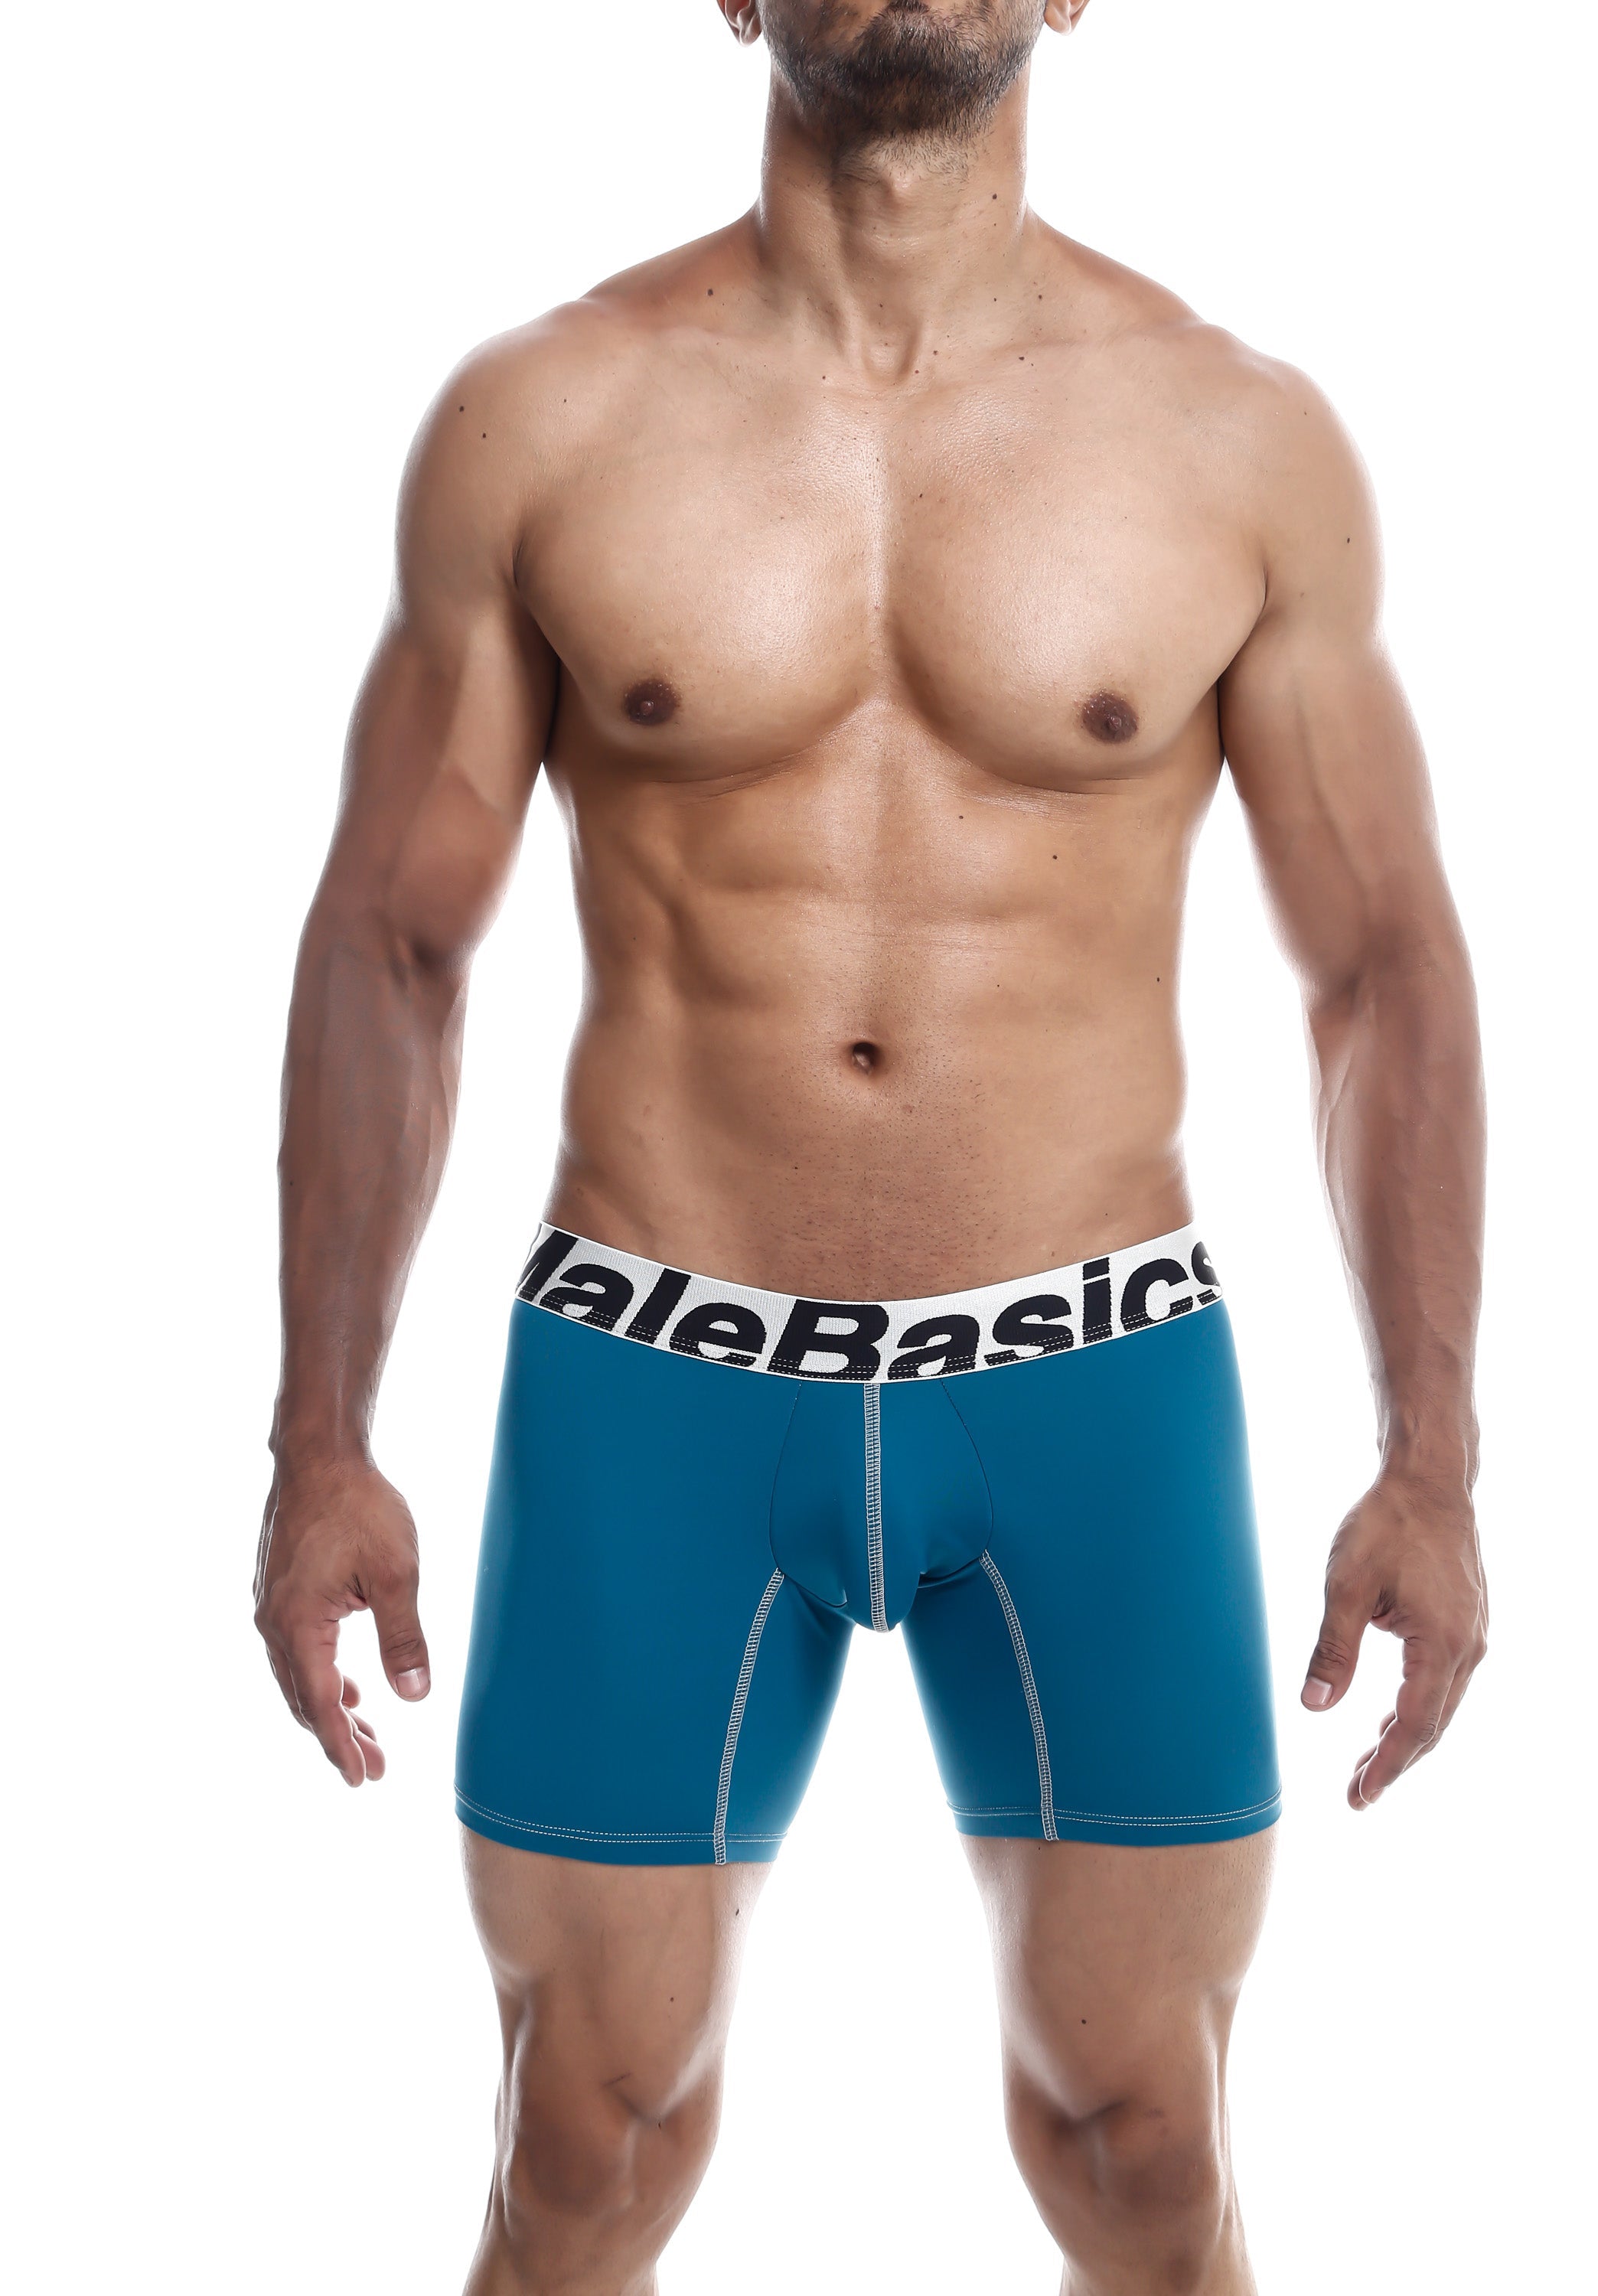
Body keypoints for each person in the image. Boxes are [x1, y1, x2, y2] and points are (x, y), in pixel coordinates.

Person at [253, 4, 1488, 2288]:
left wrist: (1434, 1455)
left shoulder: (1237, 441)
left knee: (1145, 2151)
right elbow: (392, 943)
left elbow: (1381, 970)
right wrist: (318, 1436)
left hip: (1092, 1377)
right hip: (655, 1377)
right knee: (582, 2147)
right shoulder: (545, 419)